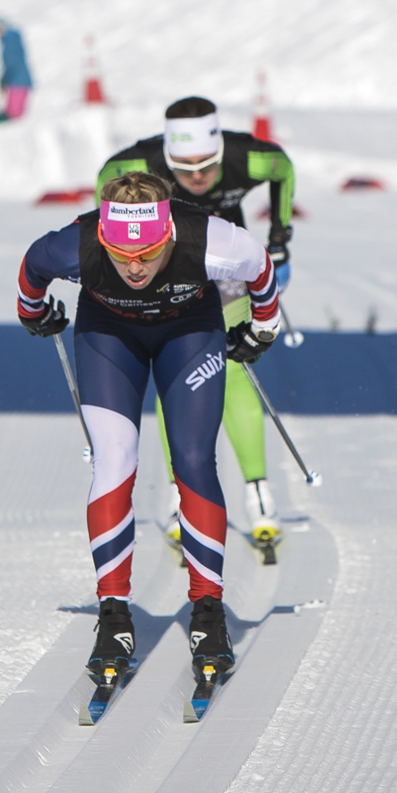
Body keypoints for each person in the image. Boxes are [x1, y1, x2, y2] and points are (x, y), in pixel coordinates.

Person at [16, 171, 281, 691]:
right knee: (114, 462)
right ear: (103, 237)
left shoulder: (210, 238)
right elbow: (32, 267)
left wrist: (262, 328)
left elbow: (261, 268)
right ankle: (113, 615)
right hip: (109, 335)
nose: (134, 266)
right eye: (120, 255)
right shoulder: (76, 244)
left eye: (149, 253)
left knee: (193, 460)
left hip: (190, 332)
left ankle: (208, 613)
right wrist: (34, 313)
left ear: (168, 235)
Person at [98, 97, 297, 556]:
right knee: (177, 376)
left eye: (207, 165)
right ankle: (177, 495)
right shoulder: (136, 164)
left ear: (221, 151)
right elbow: (103, 185)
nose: (198, 177)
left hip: (226, 267)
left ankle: (258, 493)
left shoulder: (249, 157)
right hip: (165, 273)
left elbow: (283, 169)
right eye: (184, 168)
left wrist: (279, 239)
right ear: (166, 157)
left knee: (233, 371)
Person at [0, 18, 33, 119]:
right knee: (12, 113)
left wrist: (6, 79)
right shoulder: (9, 41)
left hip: (18, 82)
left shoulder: (10, 42)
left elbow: (13, 64)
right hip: (17, 81)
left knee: (14, 115)